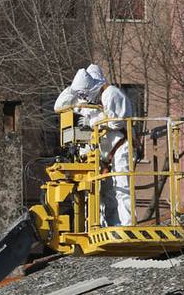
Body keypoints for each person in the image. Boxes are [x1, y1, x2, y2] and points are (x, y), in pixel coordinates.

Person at [54, 64, 133, 227]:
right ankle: (105, 225)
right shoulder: (87, 100)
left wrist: (93, 121)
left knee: (121, 187)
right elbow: (58, 106)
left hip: (118, 147)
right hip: (100, 151)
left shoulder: (111, 94)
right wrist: (72, 90)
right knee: (99, 191)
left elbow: (117, 123)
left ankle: (126, 224)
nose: (84, 98)